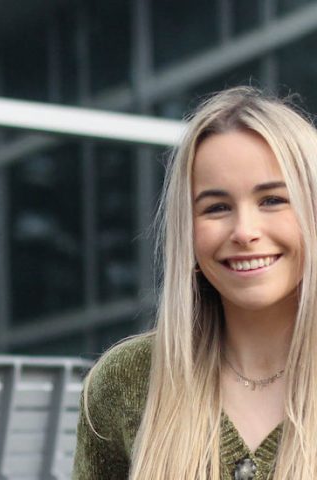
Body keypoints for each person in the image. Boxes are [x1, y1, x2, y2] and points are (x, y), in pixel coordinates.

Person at [72, 86, 317, 479]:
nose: (245, 231)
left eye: (272, 200)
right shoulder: (126, 381)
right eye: (216, 207)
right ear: (187, 231)